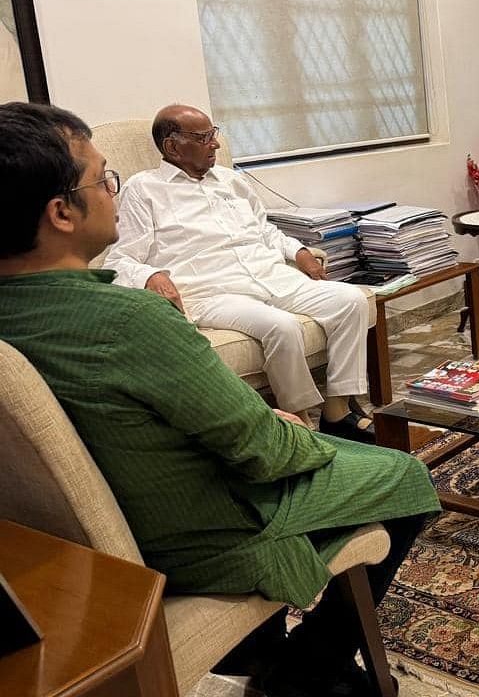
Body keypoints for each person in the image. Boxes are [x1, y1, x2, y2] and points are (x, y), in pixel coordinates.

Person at [0, 101, 440, 696]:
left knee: (339, 311)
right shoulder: (132, 321)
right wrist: (288, 428)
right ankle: (305, 672)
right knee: (406, 476)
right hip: (209, 532)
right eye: (103, 179)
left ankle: (263, 652)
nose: (112, 190)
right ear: (61, 213)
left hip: (92, 547)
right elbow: (261, 452)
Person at [102, 104, 374, 442]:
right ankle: (300, 423)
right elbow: (119, 258)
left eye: (213, 134)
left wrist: (298, 251)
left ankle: (337, 412)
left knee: (351, 301)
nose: (215, 144)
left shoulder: (232, 181)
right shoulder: (144, 189)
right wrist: (150, 276)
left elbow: (265, 230)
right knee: (282, 326)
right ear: (172, 147)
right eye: (203, 138)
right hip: (213, 290)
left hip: (269, 274)